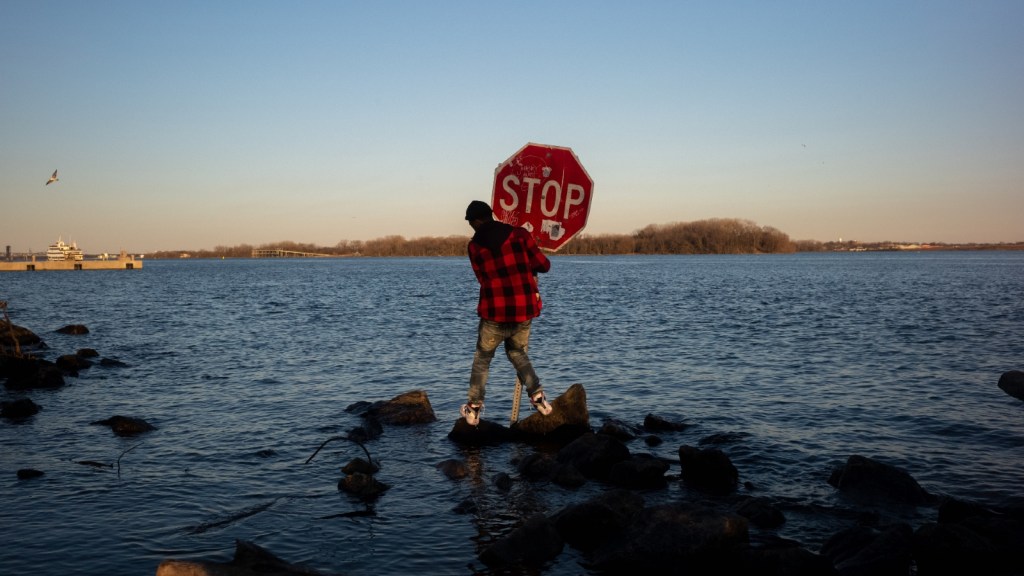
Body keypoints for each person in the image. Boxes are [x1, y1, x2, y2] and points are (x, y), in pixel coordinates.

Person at [461, 200, 553, 426]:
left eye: (471, 223)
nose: (471, 227)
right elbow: (544, 265)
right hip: (523, 309)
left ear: (477, 221)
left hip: (494, 311)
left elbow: (482, 279)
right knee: (517, 353)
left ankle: (473, 410)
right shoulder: (520, 235)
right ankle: (539, 397)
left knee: (482, 360)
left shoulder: (474, 246)